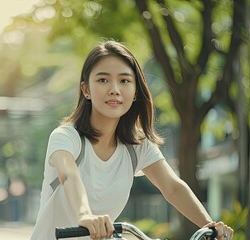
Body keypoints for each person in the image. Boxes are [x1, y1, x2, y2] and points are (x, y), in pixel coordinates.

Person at [30, 40, 234, 240]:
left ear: (135, 91)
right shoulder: (66, 137)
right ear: (86, 90)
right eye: (103, 80)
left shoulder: (137, 147)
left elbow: (172, 188)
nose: (114, 89)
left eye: (124, 80)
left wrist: (210, 227)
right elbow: (68, 175)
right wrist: (85, 215)